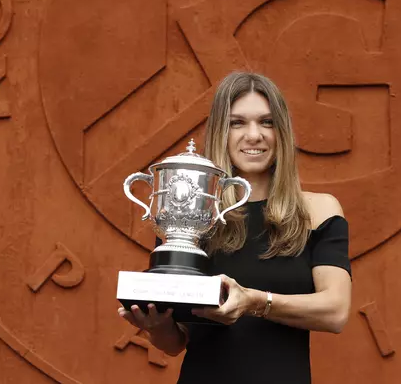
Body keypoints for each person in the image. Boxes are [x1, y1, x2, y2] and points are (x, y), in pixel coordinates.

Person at [118, 72, 352, 384]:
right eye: (237, 123)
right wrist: (157, 325)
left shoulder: (318, 211)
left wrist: (254, 302)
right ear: (220, 132)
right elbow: (176, 343)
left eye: (267, 122)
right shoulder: (195, 213)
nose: (254, 135)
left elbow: (336, 311)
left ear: (282, 131)